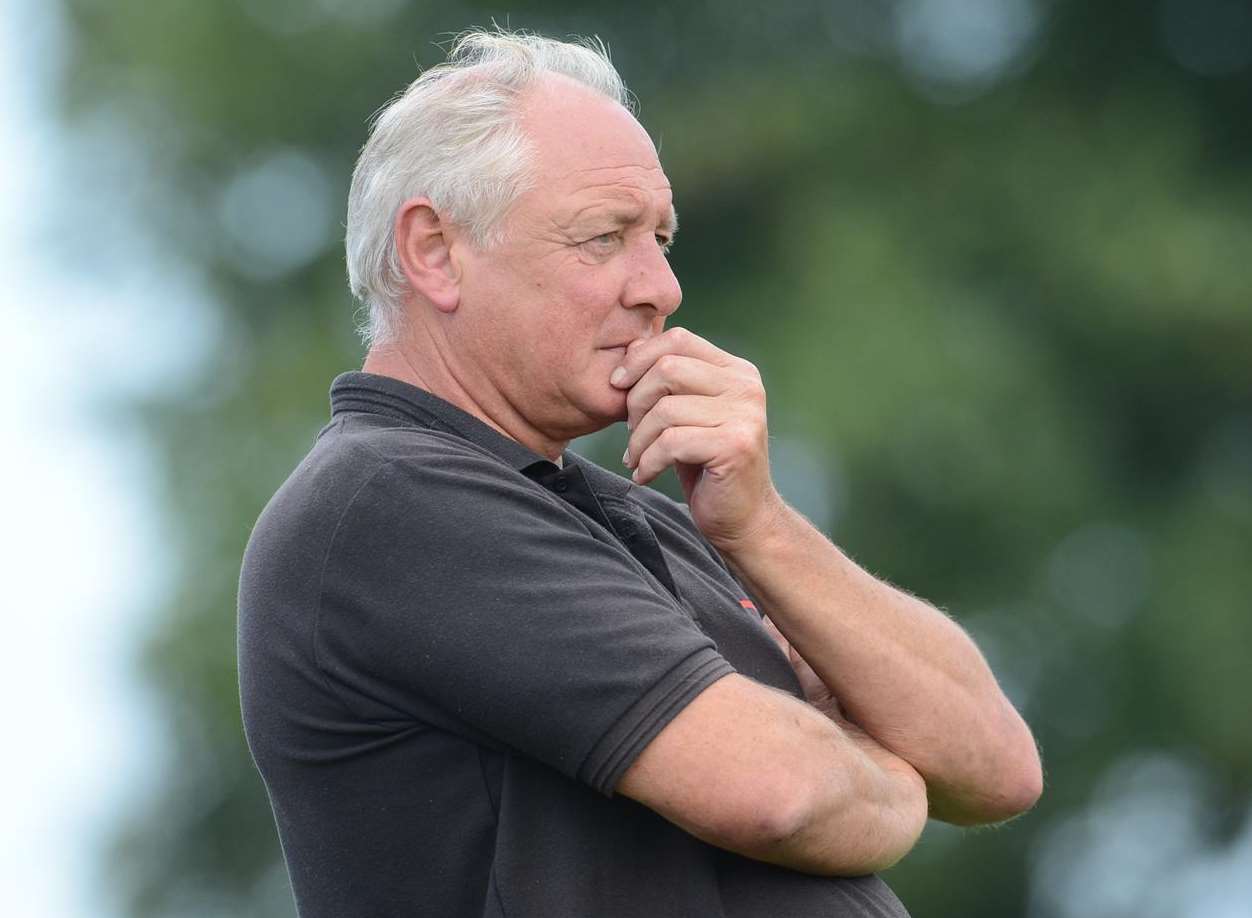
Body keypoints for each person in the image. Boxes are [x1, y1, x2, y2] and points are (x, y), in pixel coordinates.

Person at [238, 27, 1042, 918]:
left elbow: (997, 765)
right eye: (604, 237)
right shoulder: (389, 499)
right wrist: (895, 775)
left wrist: (759, 527)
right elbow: (783, 793)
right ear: (435, 250)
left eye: (659, 237)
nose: (661, 286)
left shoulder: (648, 513)